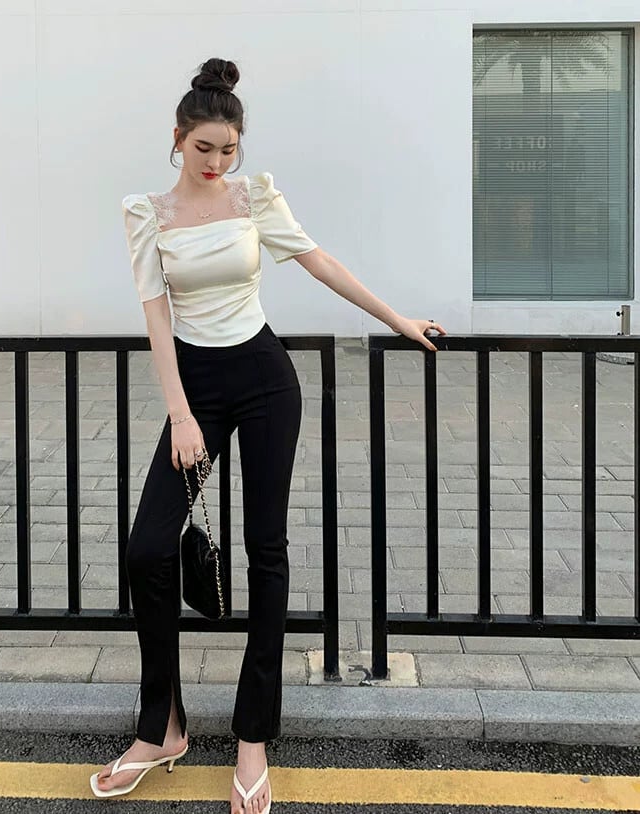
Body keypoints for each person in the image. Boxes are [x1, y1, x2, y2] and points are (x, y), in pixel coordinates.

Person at [91, 57, 446, 814]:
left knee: (266, 549)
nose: (217, 163)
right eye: (204, 148)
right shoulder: (147, 213)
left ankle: (253, 736)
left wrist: (398, 319)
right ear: (178, 138)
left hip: (264, 380)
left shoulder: (254, 196)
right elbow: (157, 316)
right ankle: (162, 727)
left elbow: (318, 261)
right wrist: (181, 414)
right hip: (196, 388)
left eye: (229, 149)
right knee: (148, 548)